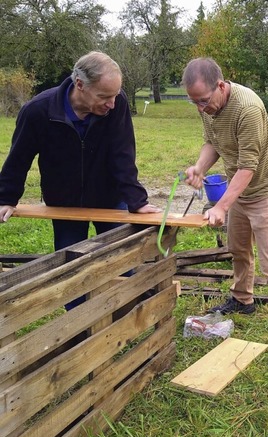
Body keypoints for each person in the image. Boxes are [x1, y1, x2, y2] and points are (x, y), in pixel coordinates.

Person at [0, 51, 160, 307]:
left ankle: (122, 320)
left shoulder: (114, 108)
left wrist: (136, 201)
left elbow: (123, 154)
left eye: (115, 95)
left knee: (122, 262)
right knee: (71, 270)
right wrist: (6, 198)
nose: (112, 104)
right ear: (80, 85)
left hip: (109, 197)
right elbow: (19, 157)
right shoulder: (38, 111)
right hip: (65, 202)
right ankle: (78, 330)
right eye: (104, 96)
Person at [181, 57, 268, 370]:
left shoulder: (248, 108)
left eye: (204, 101)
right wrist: (199, 167)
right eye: (193, 102)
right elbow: (213, 141)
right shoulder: (208, 106)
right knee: (238, 250)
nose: (200, 109)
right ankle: (242, 299)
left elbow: (248, 167)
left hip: (263, 191)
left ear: (220, 86)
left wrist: (221, 205)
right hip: (239, 192)